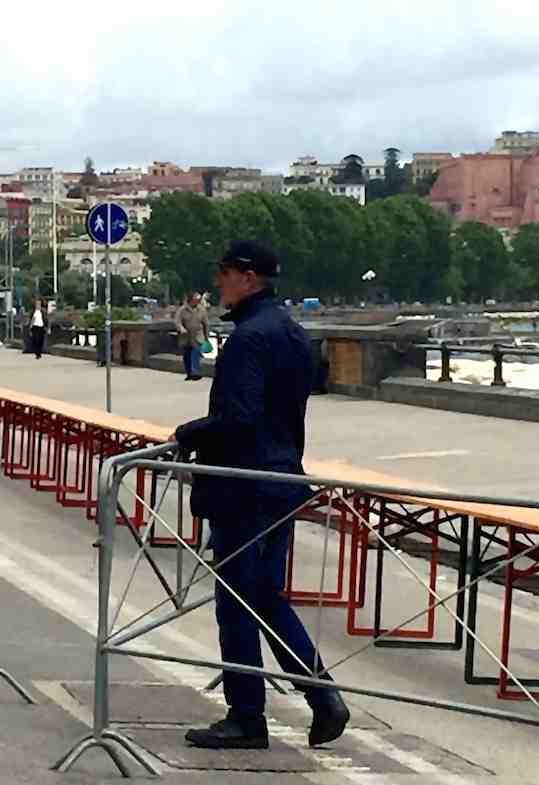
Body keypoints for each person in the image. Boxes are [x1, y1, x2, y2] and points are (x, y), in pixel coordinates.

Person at [173, 240, 349, 751]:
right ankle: (322, 698)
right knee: (265, 597)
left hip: (244, 483)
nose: (218, 281)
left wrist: (189, 432)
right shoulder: (293, 331)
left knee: (237, 602)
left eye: (225, 272)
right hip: (282, 477)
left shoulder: (249, 337)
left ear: (248, 278)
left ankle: (247, 715)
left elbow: (240, 418)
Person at [175, 292, 210, 381]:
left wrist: (206, 337)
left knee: (196, 352)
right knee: (187, 355)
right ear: (191, 300)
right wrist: (181, 328)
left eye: (198, 300)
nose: (197, 301)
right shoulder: (182, 310)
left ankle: (195, 372)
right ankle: (189, 373)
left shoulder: (201, 310)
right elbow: (177, 322)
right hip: (186, 335)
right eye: (195, 299)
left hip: (198, 335)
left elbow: (206, 324)